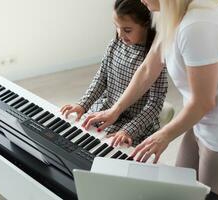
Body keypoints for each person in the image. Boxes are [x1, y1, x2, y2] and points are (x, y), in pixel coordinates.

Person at [81, 0, 218, 199]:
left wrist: (162, 135)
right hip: (200, 123)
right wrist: (115, 110)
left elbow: (203, 102)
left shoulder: (198, 25)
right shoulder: (168, 13)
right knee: (178, 194)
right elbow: (149, 68)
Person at [61, 0, 168, 147]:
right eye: (117, 27)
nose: (120, 34)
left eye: (127, 30)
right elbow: (101, 79)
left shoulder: (156, 58)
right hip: (108, 109)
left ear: (146, 24)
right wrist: (83, 104)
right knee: (75, 136)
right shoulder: (115, 45)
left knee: (103, 147)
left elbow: (154, 105)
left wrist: (129, 130)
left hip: (133, 122)